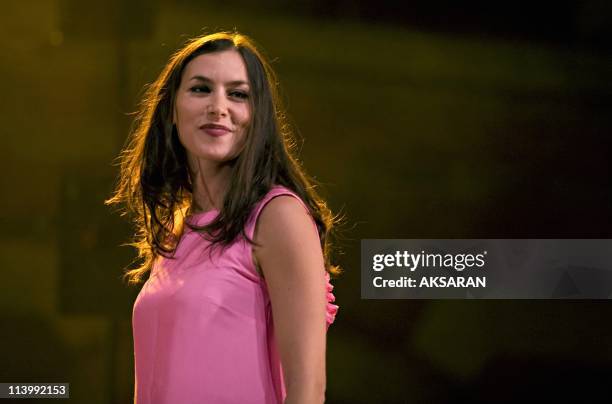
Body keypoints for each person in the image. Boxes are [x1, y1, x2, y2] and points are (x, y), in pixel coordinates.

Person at [106, 31, 340, 404]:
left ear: (257, 115)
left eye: (238, 94)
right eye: (201, 89)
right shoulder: (176, 230)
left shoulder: (278, 216)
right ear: (171, 108)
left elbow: (307, 389)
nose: (218, 107)